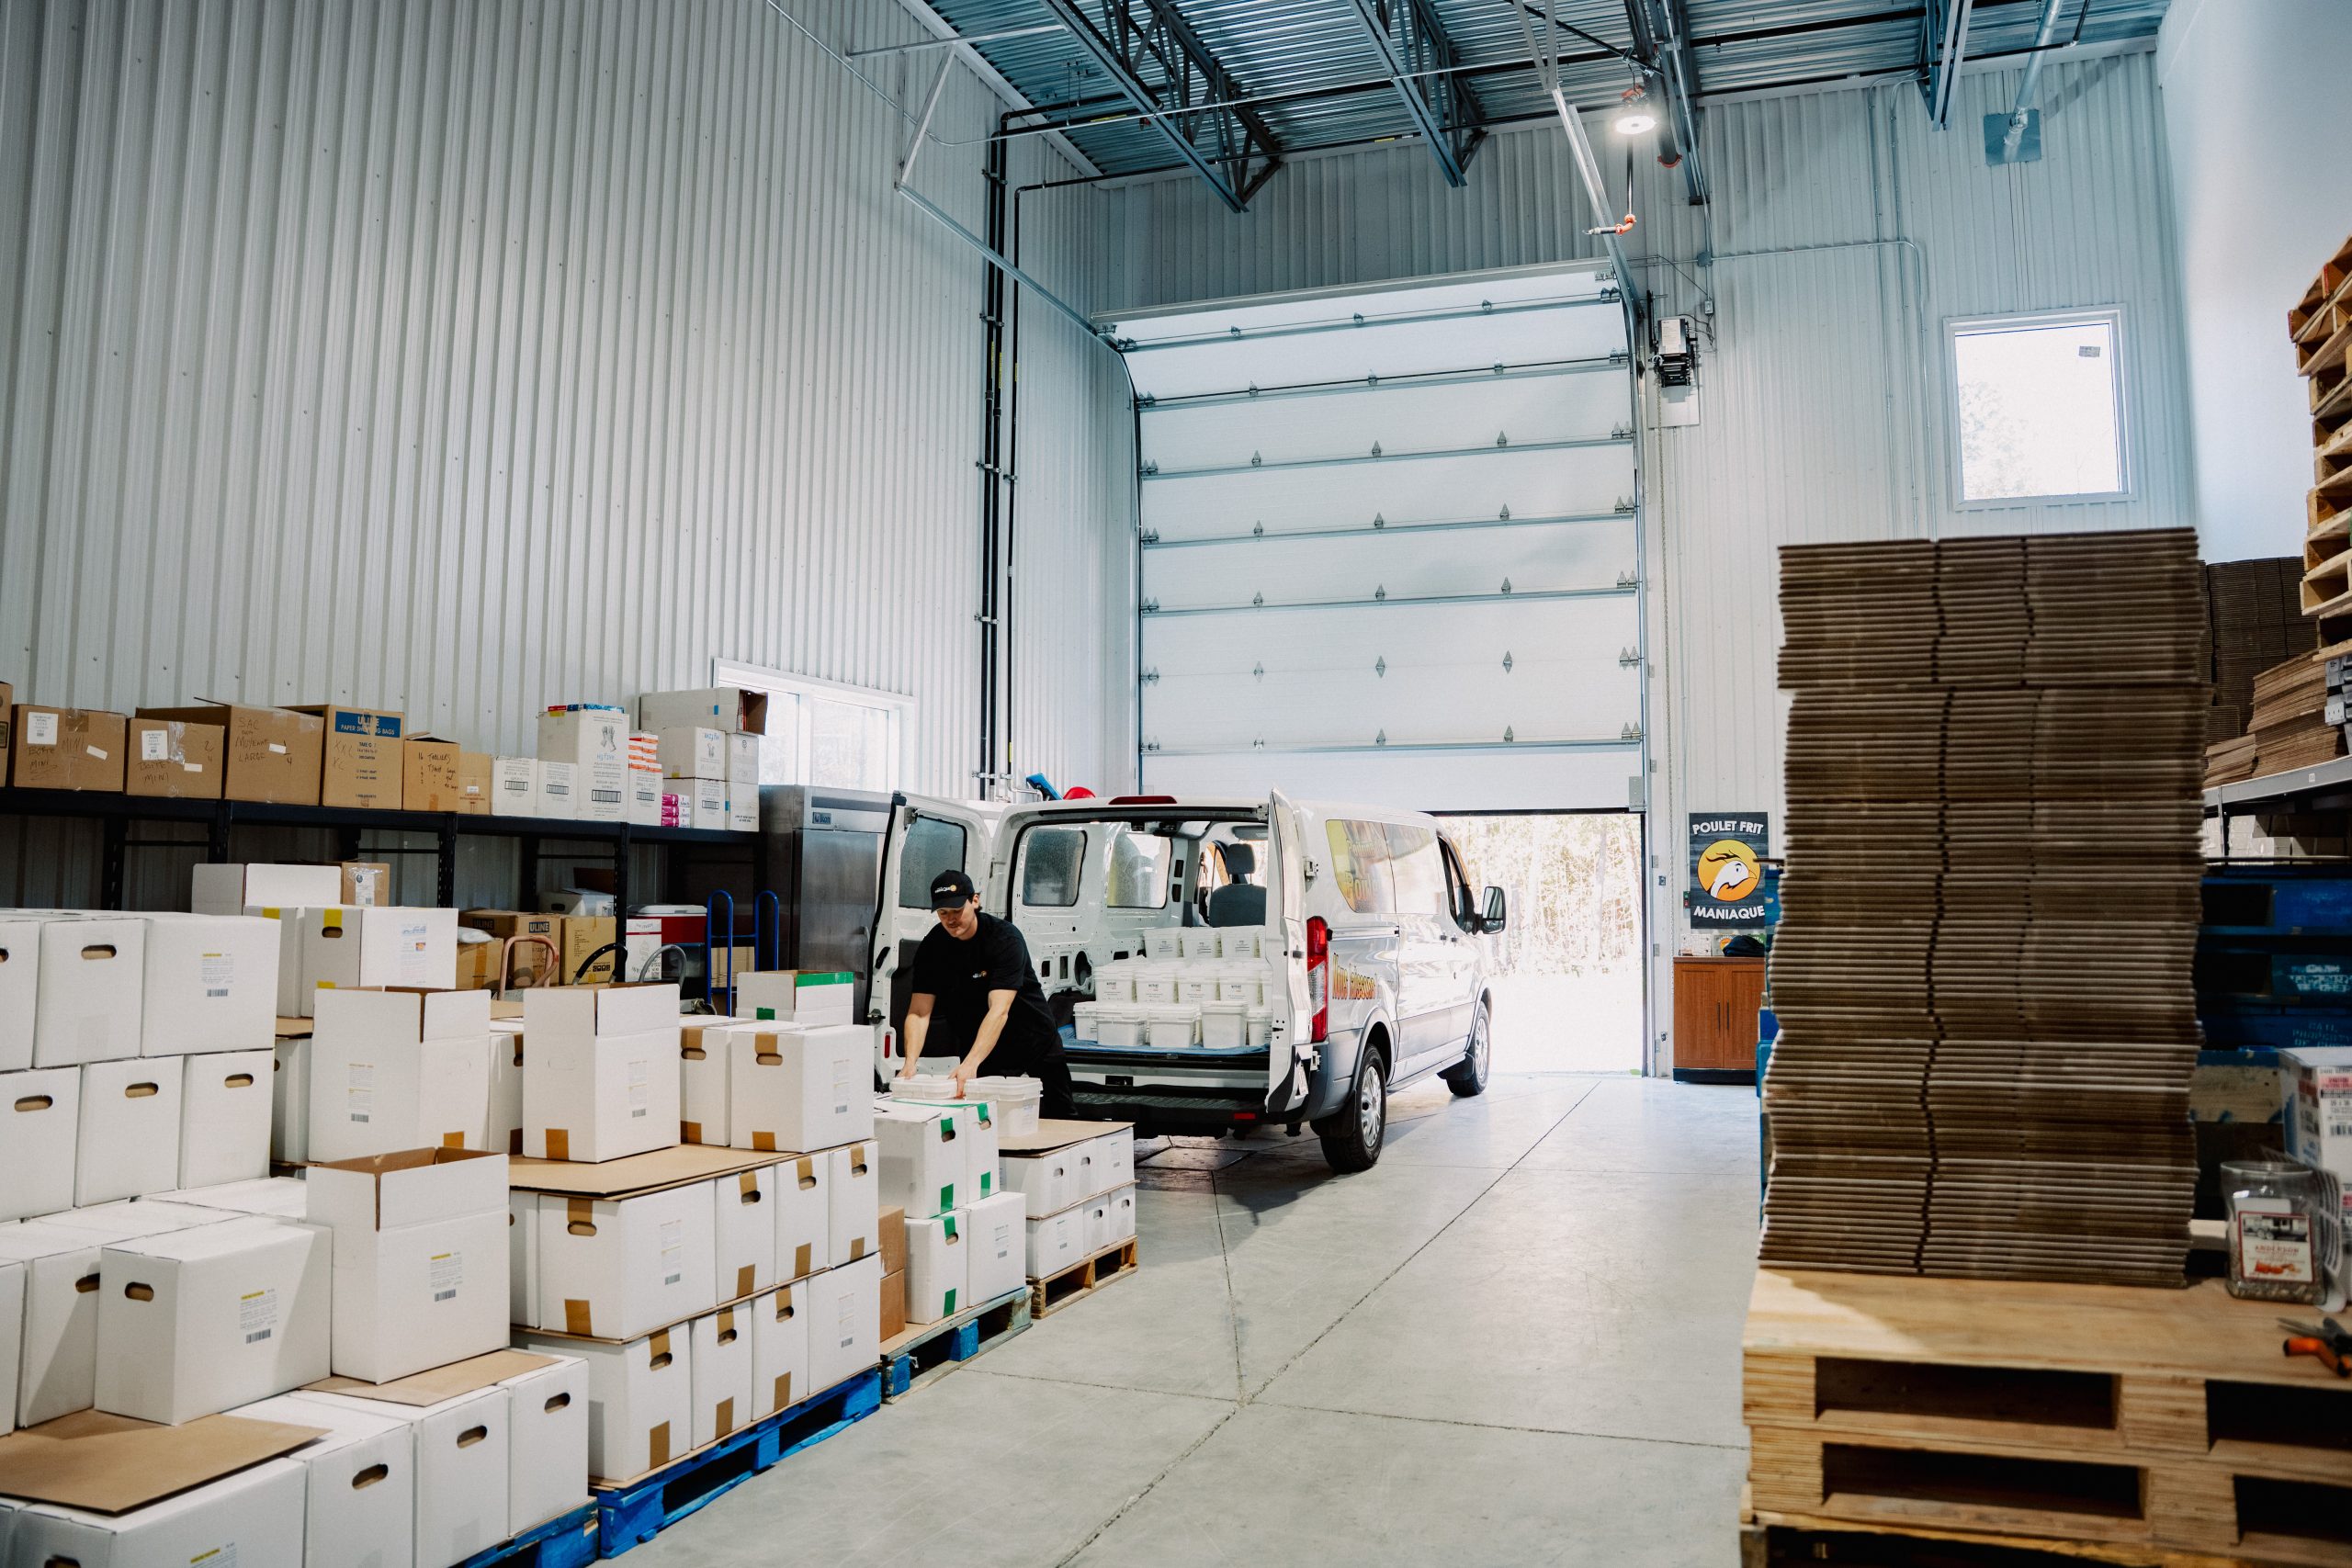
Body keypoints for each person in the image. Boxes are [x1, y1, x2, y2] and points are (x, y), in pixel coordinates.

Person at [898, 868, 1075, 1116]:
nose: (951, 920)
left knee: (1062, 1115)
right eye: (943, 913)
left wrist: (970, 1063)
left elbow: (999, 1010)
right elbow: (918, 1012)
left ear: (975, 901)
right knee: (987, 1118)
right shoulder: (933, 947)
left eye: (958, 911)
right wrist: (910, 1063)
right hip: (983, 1044)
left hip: (1032, 1037)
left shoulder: (1004, 939)